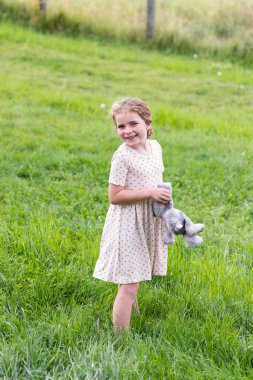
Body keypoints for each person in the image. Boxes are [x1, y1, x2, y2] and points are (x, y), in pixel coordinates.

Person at [93, 97, 171, 333]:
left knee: (133, 277)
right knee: (128, 286)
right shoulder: (122, 157)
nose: (127, 131)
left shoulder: (155, 148)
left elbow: (156, 180)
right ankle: (121, 339)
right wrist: (149, 192)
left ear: (147, 123)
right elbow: (115, 196)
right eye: (121, 126)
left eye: (133, 124)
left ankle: (132, 317)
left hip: (148, 221)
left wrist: (164, 202)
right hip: (128, 223)